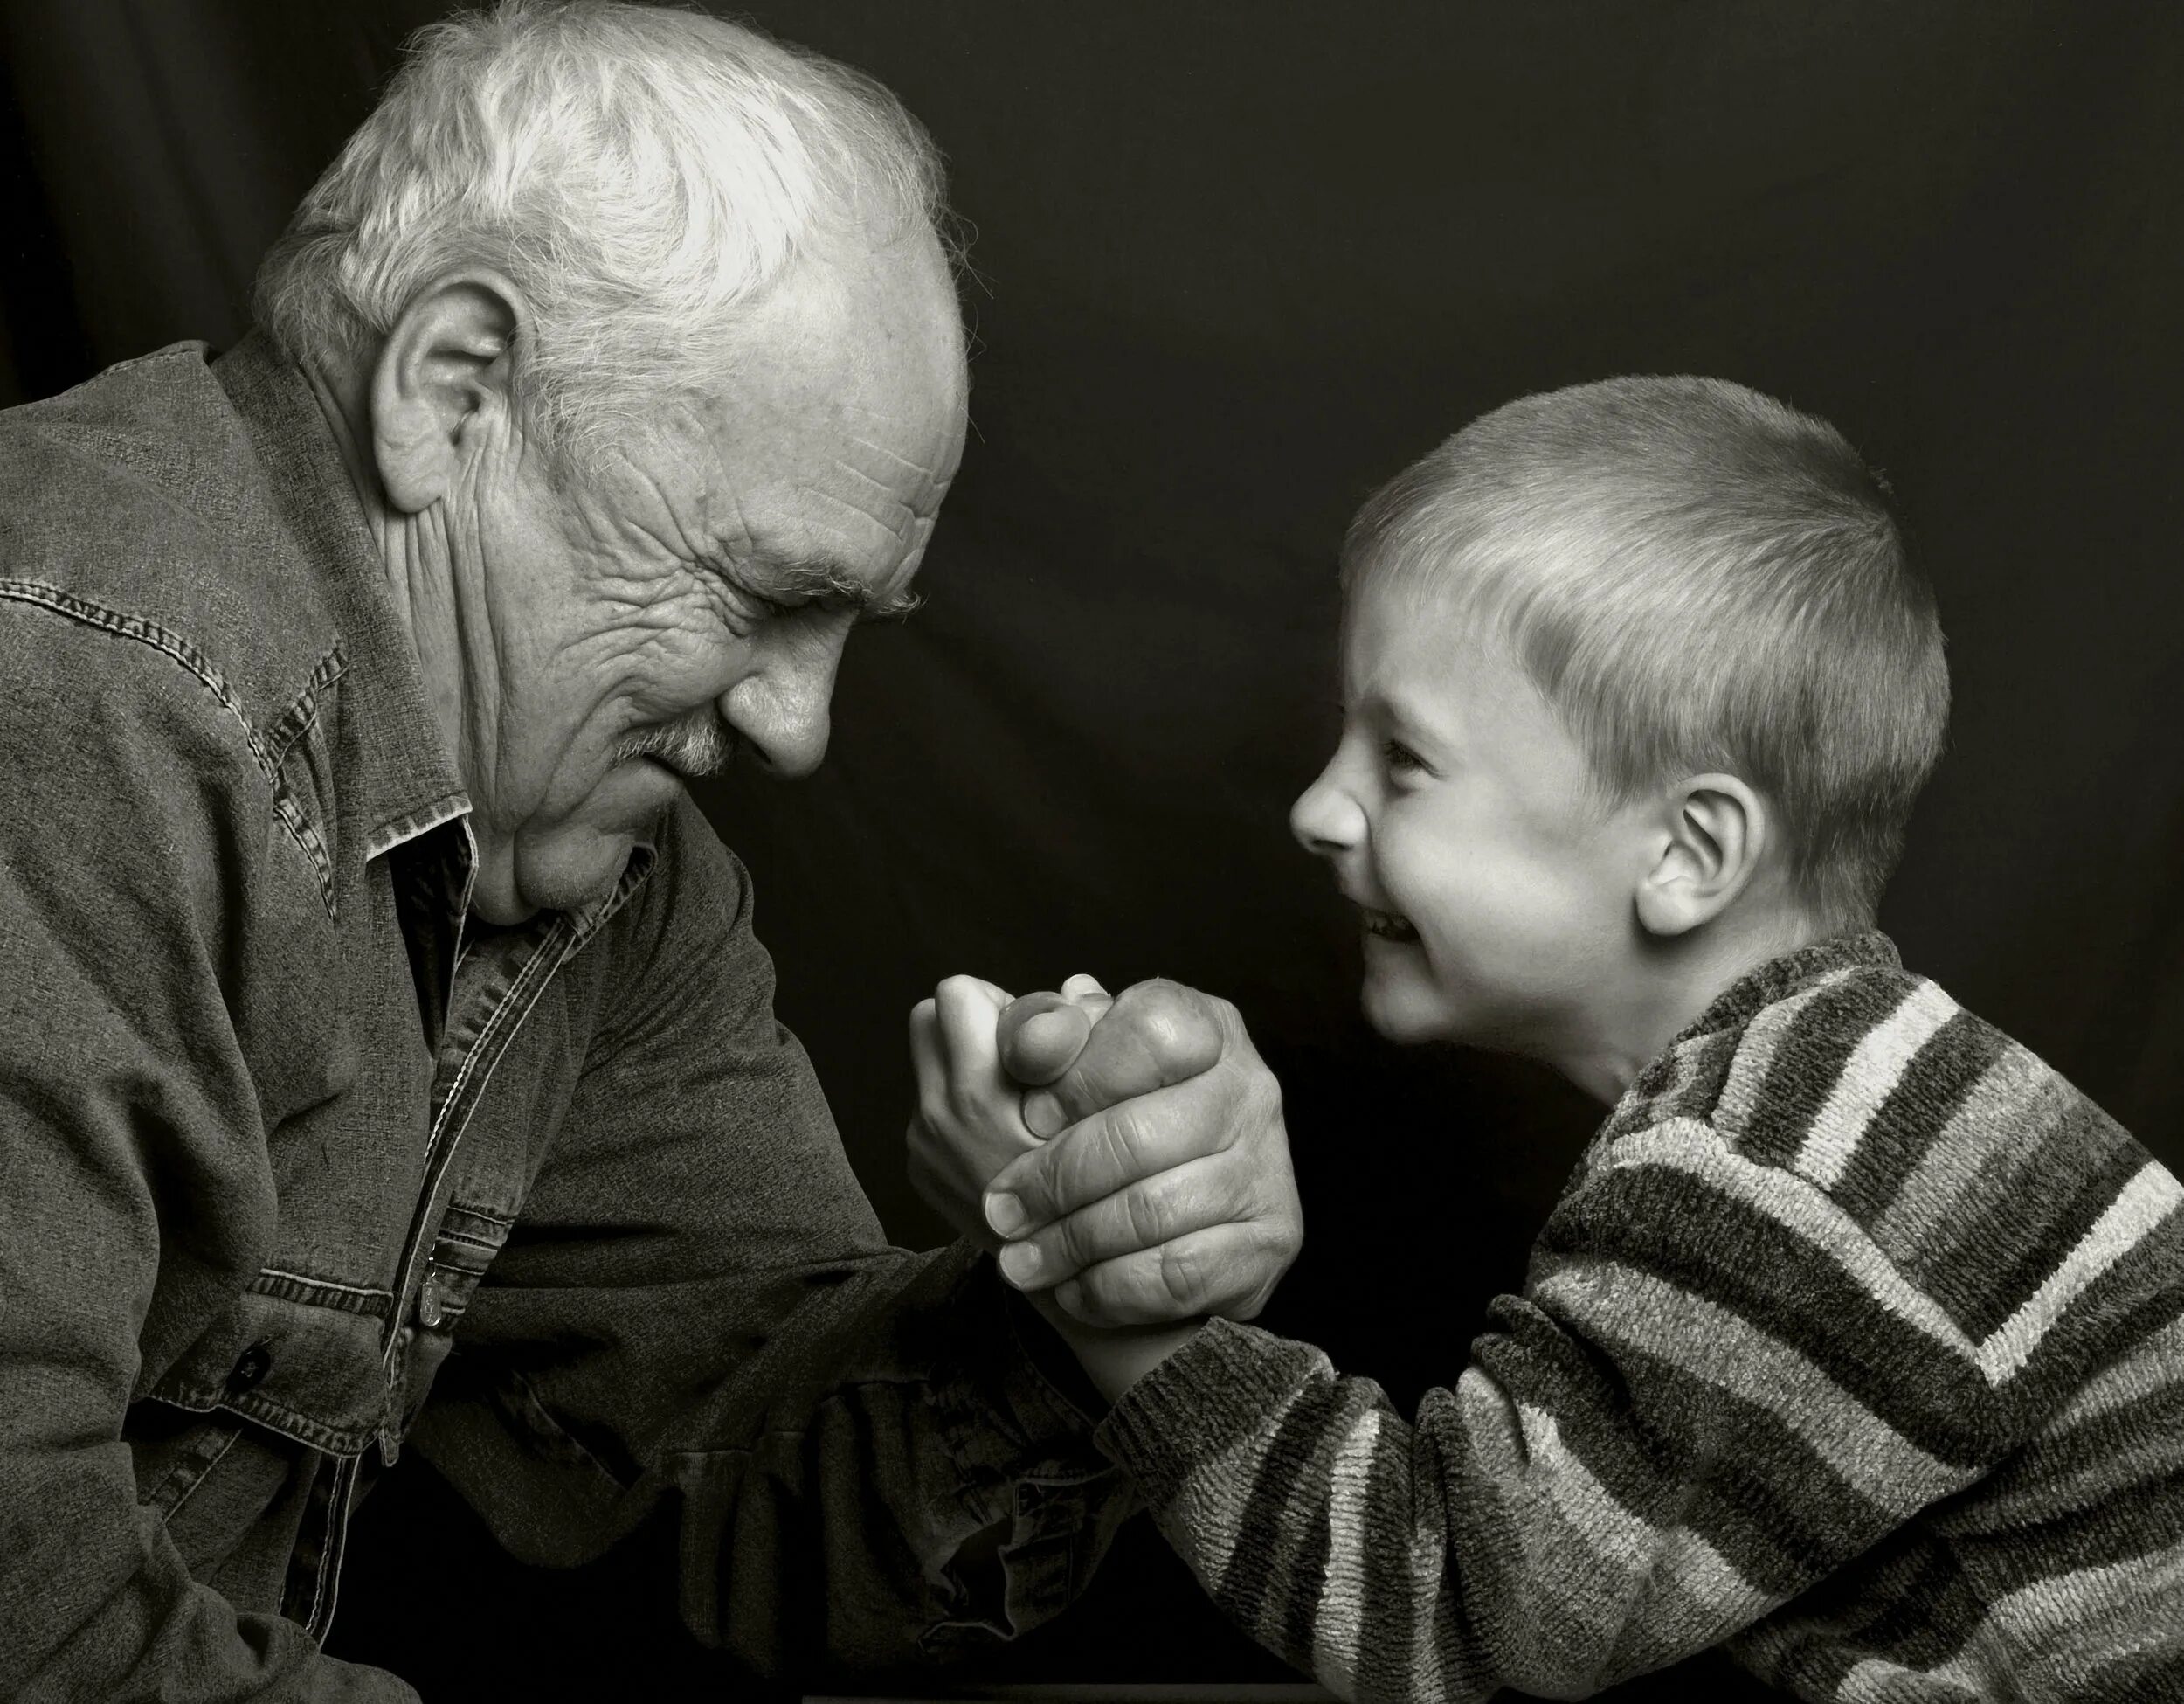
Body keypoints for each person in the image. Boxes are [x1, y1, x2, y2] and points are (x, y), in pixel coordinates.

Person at [0, 5, 1303, 1697]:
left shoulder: (594, 860)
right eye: (763, 598)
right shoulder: (70, 704)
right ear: (454, 392)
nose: (798, 732)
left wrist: (1088, 1296)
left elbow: (751, 1473)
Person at [910, 378, 2184, 1701]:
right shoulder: (1839, 1103)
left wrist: (1111, 1302)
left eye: (1402, 758)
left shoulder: (1774, 1187)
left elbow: (1447, 1618)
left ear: (1688, 854)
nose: (1316, 807)